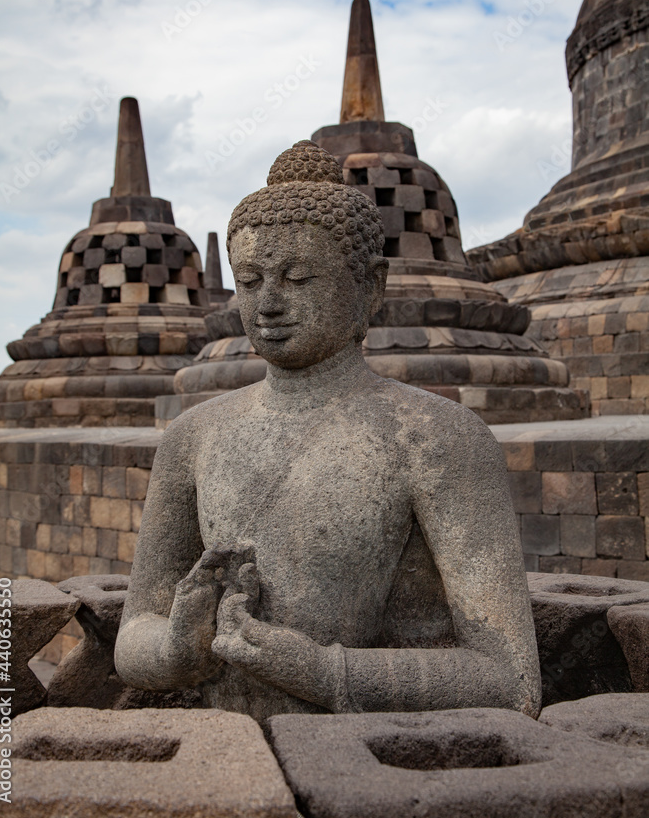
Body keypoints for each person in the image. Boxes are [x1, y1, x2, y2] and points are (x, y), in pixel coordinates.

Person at [115, 142, 541, 721]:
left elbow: (511, 678)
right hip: (225, 755)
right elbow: (134, 634)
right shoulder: (193, 438)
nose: (268, 305)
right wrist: (173, 651)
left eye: (299, 278)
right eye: (250, 281)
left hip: (375, 757)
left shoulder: (436, 439)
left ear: (370, 287)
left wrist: (322, 672)